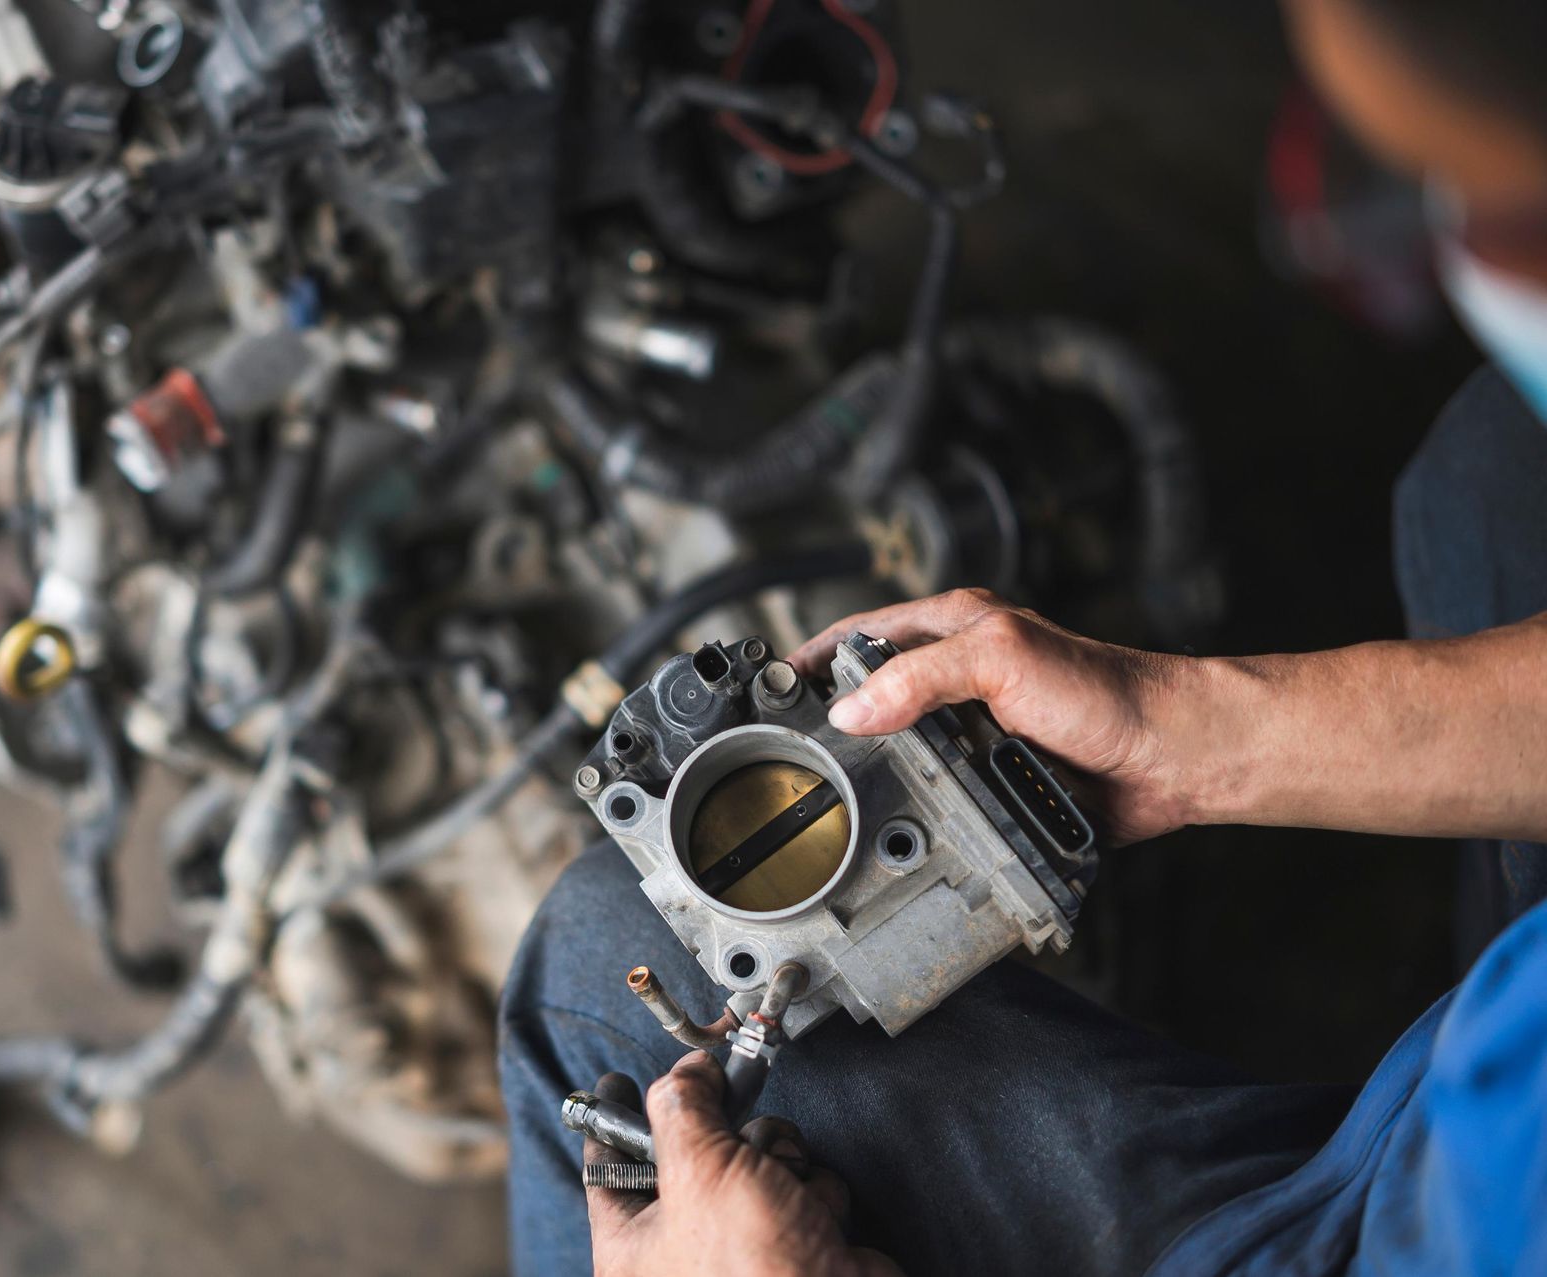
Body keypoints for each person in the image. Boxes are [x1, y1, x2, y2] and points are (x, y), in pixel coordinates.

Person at [499, 0, 1547, 1272]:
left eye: (1462, 203)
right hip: (1480, 1105)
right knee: (1497, 467)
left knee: (599, 958)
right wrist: (1199, 737)